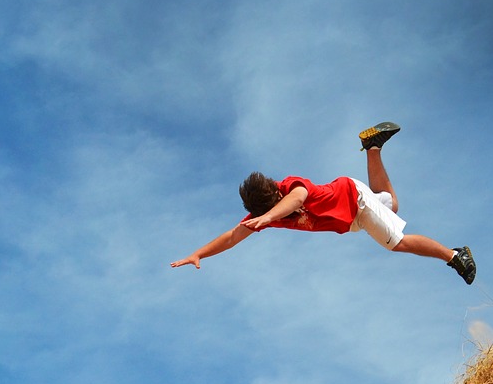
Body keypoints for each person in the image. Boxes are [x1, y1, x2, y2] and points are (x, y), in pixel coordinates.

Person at [169, 122, 476, 285]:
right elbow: (232, 237)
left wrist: (267, 217)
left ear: (274, 195)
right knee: (392, 204)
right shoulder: (266, 213)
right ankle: (372, 148)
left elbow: (298, 198)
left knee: (396, 243)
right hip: (353, 212)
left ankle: (454, 256)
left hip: (354, 202)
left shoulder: (288, 186)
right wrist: (199, 254)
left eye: (269, 212)